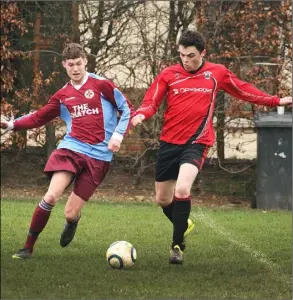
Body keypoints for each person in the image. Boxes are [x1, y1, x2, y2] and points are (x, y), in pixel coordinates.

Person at [131, 29, 292, 264]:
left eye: (191, 55)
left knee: (183, 189)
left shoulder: (216, 73)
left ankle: (177, 246)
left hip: (197, 142)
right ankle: (184, 223)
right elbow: (151, 101)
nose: (185, 60)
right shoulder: (169, 74)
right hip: (169, 143)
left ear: (203, 52)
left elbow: (243, 90)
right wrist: (141, 114)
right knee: (163, 200)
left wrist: (275, 100)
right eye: (182, 55)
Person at [1, 43, 135, 259]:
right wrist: (12, 125)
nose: (75, 68)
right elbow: (40, 116)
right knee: (51, 196)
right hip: (71, 149)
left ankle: (73, 222)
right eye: (71, 64)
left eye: (79, 64)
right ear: (64, 65)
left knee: (70, 213)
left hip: (99, 157)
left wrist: (118, 135)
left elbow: (127, 109)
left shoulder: (102, 85)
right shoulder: (63, 94)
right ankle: (27, 247)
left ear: (85, 62)